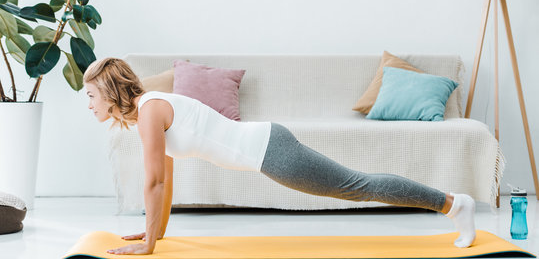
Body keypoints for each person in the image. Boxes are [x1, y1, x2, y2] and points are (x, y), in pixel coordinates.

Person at [83, 57, 477, 256]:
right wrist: (156, 234)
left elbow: (154, 181)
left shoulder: (150, 110)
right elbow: (165, 179)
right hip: (268, 146)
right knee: (356, 185)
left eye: (91, 96)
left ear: (109, 91)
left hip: (271, 150)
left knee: (357, 186)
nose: (89, 105)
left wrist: (148, 245)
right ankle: (451, 204)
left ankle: (453, 204)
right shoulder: (146, 115)